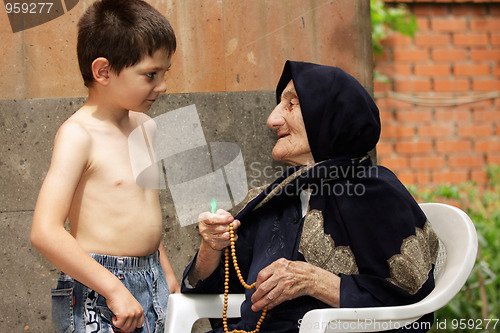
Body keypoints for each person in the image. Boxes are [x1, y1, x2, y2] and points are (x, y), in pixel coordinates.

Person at [182, 60, 439, 333]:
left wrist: (315, 281)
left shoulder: (375, 191)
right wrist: (211, 247)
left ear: (331, 115)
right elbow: (216, 292)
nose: (272, 119)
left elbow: (411, 303)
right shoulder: (277, 198)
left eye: (291, 104)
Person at [30, 1, 179, 332]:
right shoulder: (78, 135)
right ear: (103, 71)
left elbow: (144, 209)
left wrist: (165, 271)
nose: (163, 86)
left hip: (151, 276)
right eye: (151, 75)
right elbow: (45, 231)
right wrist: (113, 288)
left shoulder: (146, 127)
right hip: (100, 287)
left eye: (165, 73)